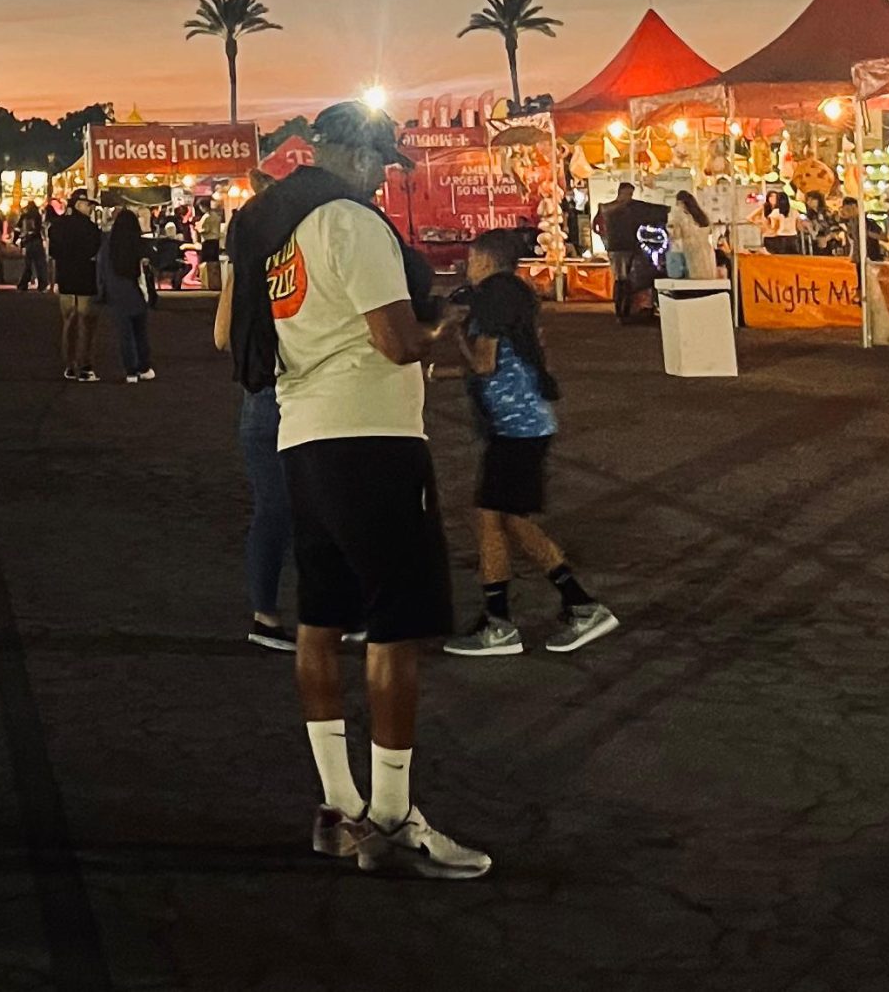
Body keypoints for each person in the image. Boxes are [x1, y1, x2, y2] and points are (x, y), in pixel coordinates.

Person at [225, 101, 487, 879]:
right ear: (342, 152)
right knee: (394, 625)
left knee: (322, 617)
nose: (382, 173)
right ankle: (395, 813)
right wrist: (448, 331)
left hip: (302, 435)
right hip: (372, 437)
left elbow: (243, 338)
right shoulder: (353, 222)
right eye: (376, 158)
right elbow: (393, 338)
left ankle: (338, 805)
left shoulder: (280, 238)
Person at [443, 231, 621, 659]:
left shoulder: (492, 300)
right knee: (503, 519)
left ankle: (548, 612)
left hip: (516, 427)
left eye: (470, 258)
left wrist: (454, 339)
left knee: (497, 519)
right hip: (525, 423)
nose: (467, 266)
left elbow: (485, 363)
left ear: (484, 260)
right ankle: (534, 611)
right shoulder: (515, 294)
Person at [97, 208, 156, 381]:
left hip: (116, 292)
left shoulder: (109, 244)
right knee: (140, 332)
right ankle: (144, 367)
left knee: (125, 333)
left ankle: (130, 371)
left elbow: (101, 268)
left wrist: (103, 290)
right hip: (135, 290)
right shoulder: (137, 242)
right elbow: (149, 262)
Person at [49, 193, 102, 382]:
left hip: (66, 277)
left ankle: (69, 365)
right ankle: (85, 365)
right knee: (86, 322)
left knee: (68, 321)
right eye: (88, 205)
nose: (90, 209)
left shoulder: (57, 227)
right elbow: (95, 251)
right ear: (79, 204)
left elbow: (53, 253)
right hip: (85, 277)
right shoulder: (91, 228)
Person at [667, 190, 719, 281]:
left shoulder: (680, 216)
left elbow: (676, 235)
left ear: (680, 202)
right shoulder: (701, 214)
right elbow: (710, 230)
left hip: (692, 251)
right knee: (709, 280)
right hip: (708, 251)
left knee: (697, 281)